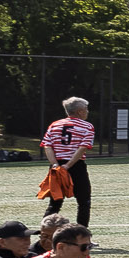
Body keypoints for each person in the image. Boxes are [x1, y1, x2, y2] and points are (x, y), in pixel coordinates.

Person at [41, 96, 95, 227]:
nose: (88, 112)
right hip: (76, 166)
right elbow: (82, 148)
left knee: (55, 202)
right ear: (80, 111)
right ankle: (82, 236)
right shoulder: (87, 126)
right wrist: (69, 165)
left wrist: (55, 164)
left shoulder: (54, 125)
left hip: (56, 166)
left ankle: (45, 234)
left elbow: (47, 146)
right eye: (86, 109)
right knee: (84, 201)